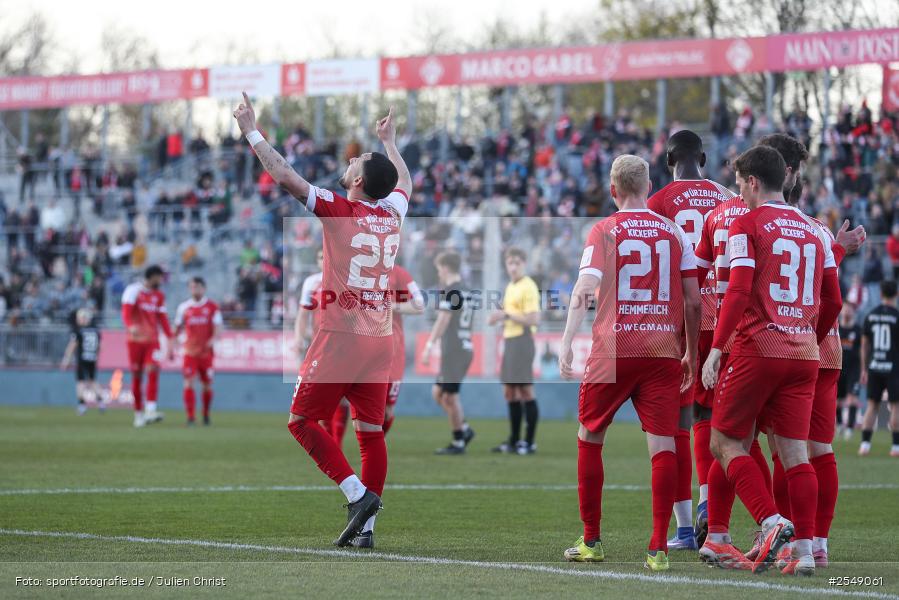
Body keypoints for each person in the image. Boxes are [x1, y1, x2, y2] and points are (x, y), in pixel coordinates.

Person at [234, 93, 411, 549]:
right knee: (371, 435)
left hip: (342, 335)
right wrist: (389, 144)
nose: (352, 158)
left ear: (358, 179)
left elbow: (284, 176)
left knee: (300, 420)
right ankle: (366, 530)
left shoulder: (340, 208)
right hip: (381, 337)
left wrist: (251, 130)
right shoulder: (392, 215)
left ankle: (356, 496)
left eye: (359, 158)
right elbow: (404, 180)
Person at [699, 145, 841, 575]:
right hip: (803, 355)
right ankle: (802, 554)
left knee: (723, 442)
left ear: (754, 182)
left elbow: (739, 291)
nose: (738, 192)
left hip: (758, 349)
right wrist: (807, 337)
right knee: (796, 454)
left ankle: (770, 520)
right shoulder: (817, 230)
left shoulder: (745, 223)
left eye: (740, 183)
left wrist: (718, 349)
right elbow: (832, 299)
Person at [558, 154, 701, 572]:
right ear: (649, 185)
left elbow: (586, 288)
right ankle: (658, 547)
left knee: (590, 436)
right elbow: (693, 301)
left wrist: (567, 339)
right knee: (663, 444)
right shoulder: (674, 232)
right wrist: (691, 349)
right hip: (662, 350)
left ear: (613, 190)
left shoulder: (604, 229)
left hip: (613, 347)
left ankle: (591, 540)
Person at [646, 129, 735, 551]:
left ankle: (693, 519)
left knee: (683, 419)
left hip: (682, 319)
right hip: (728, 315)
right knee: (733, 422)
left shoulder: (658, 202)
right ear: (703, 156)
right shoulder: (726, 196)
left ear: (668, 161)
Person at [422, 251, 475, 455]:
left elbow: (443, 319)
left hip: (454, 350)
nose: (438, 274)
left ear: (444, 267)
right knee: (439, 393)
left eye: (438, 269)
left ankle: (459, 441)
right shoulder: (467, 290)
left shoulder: (451, 290)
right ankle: (464, 428)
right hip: (463, 347)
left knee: (450, 397)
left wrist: (429, 345)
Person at [488, 247, 540, 455]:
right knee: (509, 392)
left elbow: (533, 318)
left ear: (524, 264)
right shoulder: (511, 286)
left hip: (523, 341)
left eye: (517, 262)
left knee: (525, 390)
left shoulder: (528, 286)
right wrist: (498, 318)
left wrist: (506, 314)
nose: (514, 266)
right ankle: (514, 440)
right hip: (510, 341)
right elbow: (508, 315)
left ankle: (528, 442)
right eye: (510, 263)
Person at [122, 265, 174, 428]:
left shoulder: (159, 296)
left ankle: (150, 410)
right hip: (135, 341)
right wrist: (130, 326)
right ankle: (138, 414)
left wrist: (170, 339)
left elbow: (163, 319)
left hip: (152, 341)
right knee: (137, 377)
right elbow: (126, 312)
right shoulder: (133, 290)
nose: (162, 280)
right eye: (160, 277)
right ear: (152, 277)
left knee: (153, 371)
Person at [174, 277, 223, 426]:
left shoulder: (212, 307)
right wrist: (175, 341)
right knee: (188, 383)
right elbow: (177, 327)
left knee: (207, 385)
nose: (194, 289)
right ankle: (190, 417)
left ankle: (206, 415)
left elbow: (218, 327)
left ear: (203, 288)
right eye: (192, 287)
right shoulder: (184, 308)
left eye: (197, 287)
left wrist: (213, 339)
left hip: (206, 353)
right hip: (190, 352)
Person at [859, 280, 899, 457]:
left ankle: (865, 445)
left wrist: (864, 369)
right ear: (896, 294)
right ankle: (896, 448)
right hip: (893, 367)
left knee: (872, 405)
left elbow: (865, 345)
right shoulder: (897, 316)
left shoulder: (871, 315)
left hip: (874, 366)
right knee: (896, 406)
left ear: (881, 294)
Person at [385, 262, 424, 434]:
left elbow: (419, 304)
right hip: (363, 346)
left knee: (386, 409)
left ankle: (376, 443)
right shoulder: (359, 269)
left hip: (391, 348)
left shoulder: (398, 273)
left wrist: (391, 306)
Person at [60, 308, 103, 416]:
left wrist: (66, 359)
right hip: (92, 358)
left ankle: (82, 405)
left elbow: (72, 345)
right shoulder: (96, 331)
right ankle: (101, 403)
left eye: (80, 318)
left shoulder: (78, 331)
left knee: (80, 382)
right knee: (93, 381)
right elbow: (100, 347)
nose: (78, 320)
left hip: (82, 358)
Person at [836, 304, 862, 440]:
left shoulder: (858, 330)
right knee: (837, 400)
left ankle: (850, 428)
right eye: (845, 309)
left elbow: (863, 351)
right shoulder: (836, 327)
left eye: (850, 309)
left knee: (853, 398)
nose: (847, 312)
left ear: (853, 312)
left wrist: (864, 370)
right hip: (838, 367)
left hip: (854, 369)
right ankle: (840, 423)